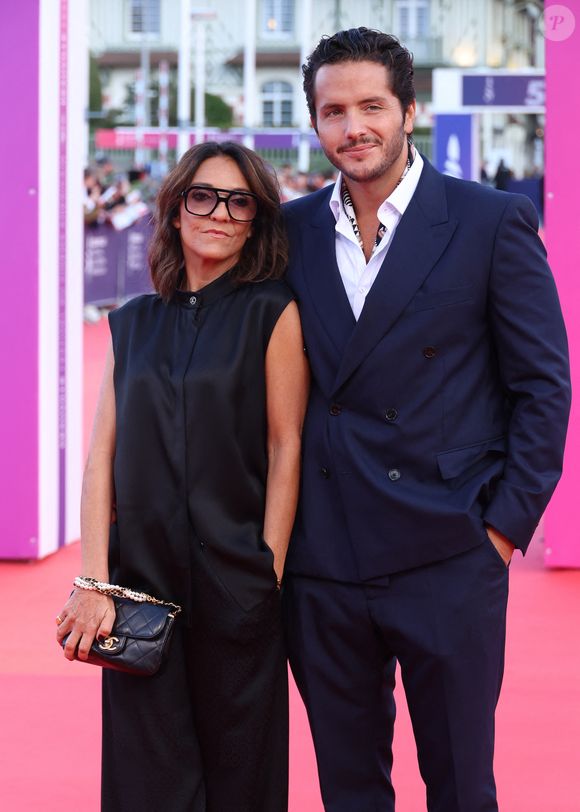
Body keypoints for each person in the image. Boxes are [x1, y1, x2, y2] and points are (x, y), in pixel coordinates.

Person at [282, 27, 570, 812]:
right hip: (324, 562)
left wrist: (502, 530)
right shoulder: (292, 232)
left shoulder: (488, 221)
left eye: (371, 105)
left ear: (409, 110)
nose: (354, 127)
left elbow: (543, 386)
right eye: (333, 111)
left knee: (461, 788)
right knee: (349, 790)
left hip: (449, 552)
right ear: (315, 123)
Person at [56, 141, 309, 812]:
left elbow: (288, 448)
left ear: (255, 220)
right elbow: (100, 458)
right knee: (148, 784)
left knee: (242, 782)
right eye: (204, 197)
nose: (219, 214)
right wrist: (93, 581)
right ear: (174, 210)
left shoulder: (272, 313)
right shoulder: (132, 323)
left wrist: (269, 571)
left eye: (239, 202)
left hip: (239, 584)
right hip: (140, 591)